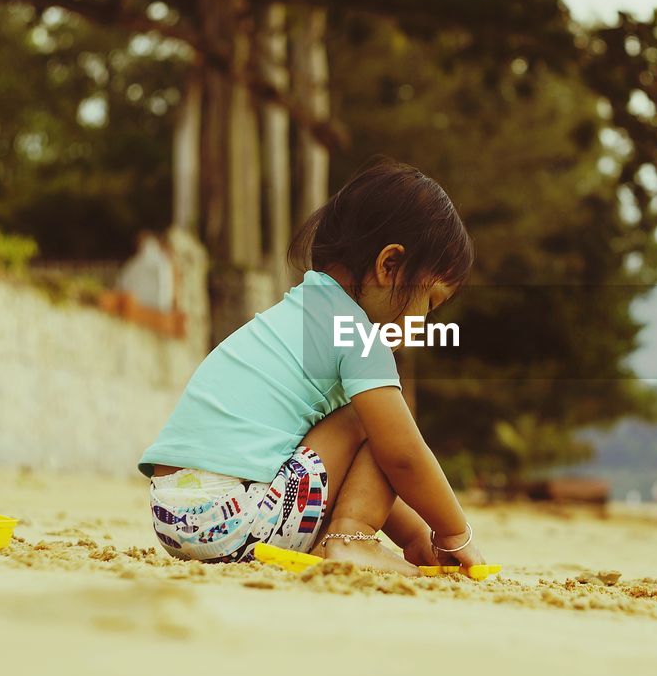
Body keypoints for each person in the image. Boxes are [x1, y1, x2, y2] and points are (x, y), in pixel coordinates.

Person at [138, 158, 481, 575]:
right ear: (389, 266)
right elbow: (401, 456)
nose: (424, 322)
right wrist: (453, 533)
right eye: (429, 302)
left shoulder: (302, 313)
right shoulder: (357, 335)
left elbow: (350, 468)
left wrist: (413, 539)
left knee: (364, 424)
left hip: (173, 516)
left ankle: (352, 536)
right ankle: (351, 540)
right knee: (377, 422)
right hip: (234, 518)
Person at [117, 230, 175, 312]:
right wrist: (164, 306)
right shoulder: (161, 261)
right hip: (154, 307)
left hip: (139, 306)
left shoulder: (136, 262)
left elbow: (123, 282)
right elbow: (164, 286)